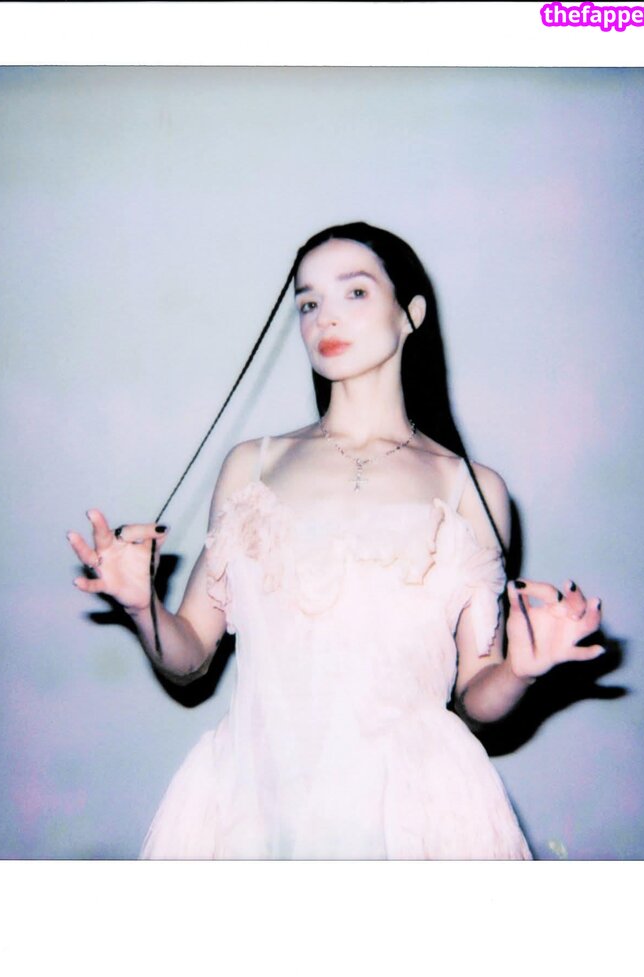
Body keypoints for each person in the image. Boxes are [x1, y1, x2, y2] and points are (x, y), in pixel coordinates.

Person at [67, 222, 604, 859]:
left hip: (415, 822)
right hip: (258, 807)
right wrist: (142, 608)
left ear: (411, 314)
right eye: (308, 302)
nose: (325, 317)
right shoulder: (252, 465)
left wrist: (521, 670)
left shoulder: (473, 488)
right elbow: (189, 656)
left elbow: (476, 698)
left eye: (354, 293)